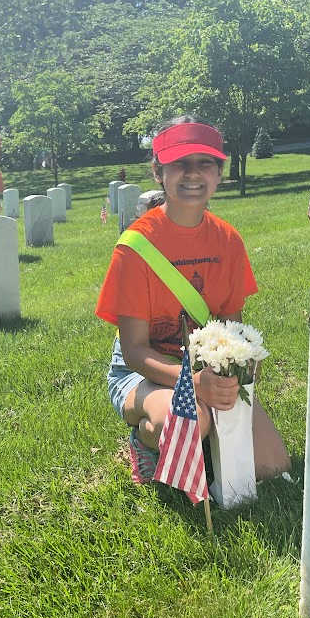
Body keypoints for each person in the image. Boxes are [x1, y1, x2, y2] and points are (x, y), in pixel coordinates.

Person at [95, 116, 290, 485]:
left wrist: (237, 368)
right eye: (179, 164)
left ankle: (197, 437)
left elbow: (230, 328)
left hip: (202, 364)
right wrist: (192, 382)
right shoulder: (135, 248)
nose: (192, 174)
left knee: (272, 467)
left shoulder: (227, 241)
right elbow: (135, 350)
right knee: (189, 422)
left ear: (219, 173)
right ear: (158, 171)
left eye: (205, 164)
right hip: (143, 370)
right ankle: (145, 441)